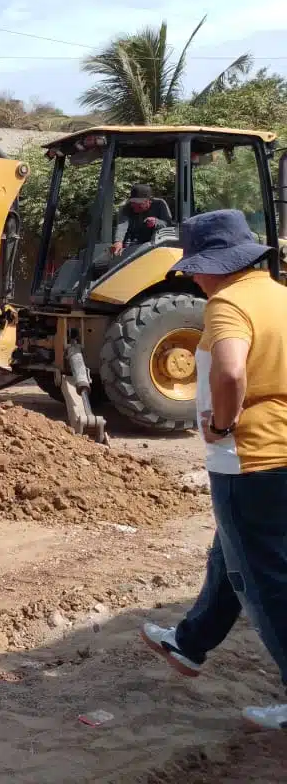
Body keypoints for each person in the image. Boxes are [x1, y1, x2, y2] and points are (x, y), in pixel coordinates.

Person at [139, 209, 287, 732]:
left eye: (196, 268)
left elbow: (229, 370)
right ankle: (191, 642)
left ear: (216, 266)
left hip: (250, 459)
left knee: (263, 580)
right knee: (231, 553)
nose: (194, 277)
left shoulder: (228, 304)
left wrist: (223, 424)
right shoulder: (279, 295)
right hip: (282, 454)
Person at [111, 183, 172, 256]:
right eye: (133, 202)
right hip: (131, 243)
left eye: (139, 204)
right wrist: (118, 241)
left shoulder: (160, 204)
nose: (134, 206)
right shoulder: (126, 207)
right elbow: (122, 225)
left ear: (149, 201)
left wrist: (156, 222)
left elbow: (167, 224)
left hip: (154, 244)